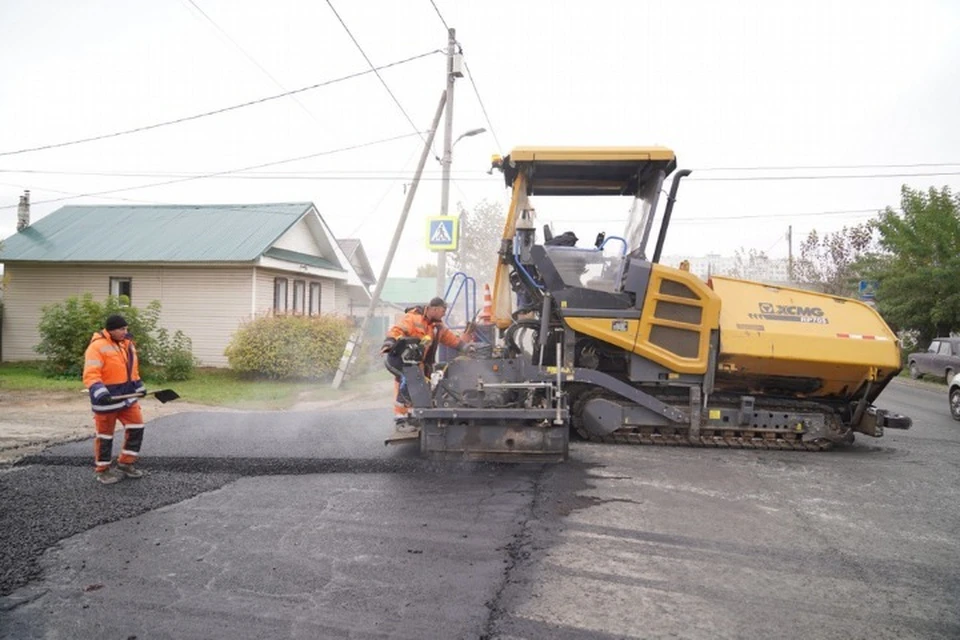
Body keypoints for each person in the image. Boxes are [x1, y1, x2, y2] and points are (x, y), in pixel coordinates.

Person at [381, 297, 475, 432]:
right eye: (443, 311)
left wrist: (465, 347)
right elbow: (397, 330)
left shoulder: (437, 326)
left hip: (420, 363)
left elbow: (450, 339)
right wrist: (389, 343)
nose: (444, 314)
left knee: (419, 390)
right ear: (434, 308)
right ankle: (400, 420)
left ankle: (413, 417)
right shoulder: (413, 318)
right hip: (405, 363)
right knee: (405, 387)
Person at [82, 314, 148, 484]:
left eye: (126, 329)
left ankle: (125, 463)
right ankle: (103, 470)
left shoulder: (128, 345)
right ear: (111, 329)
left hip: (127, 397)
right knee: (105, 436)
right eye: (121, 329)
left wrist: (139, 387)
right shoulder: (97, 347)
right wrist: (100, 393)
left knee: (137, 426)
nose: (125, 332)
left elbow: (132, 371)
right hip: (107, 398)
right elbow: (91, 374)